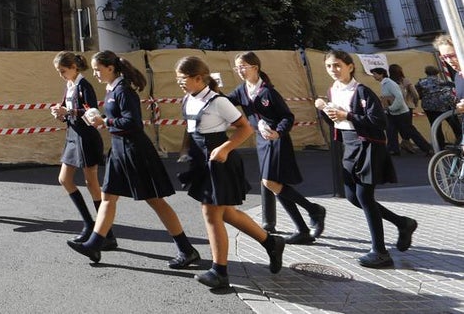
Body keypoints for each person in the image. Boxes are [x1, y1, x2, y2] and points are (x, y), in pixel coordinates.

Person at [68, 50, 201, 268]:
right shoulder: (112, 89)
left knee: (155, 200)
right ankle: (95, 243)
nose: (95, 74)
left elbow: (133, 123)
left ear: (110, 68)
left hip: (135, 150)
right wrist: (102, 120)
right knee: (108, 197)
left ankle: (187, 249)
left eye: (97, 69)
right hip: (119, 150)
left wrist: (104, 122)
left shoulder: (123, 90)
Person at [176, 56, 285, 290]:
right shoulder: (188, 98)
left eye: (183, 78)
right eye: (178, 79)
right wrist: (187, 151)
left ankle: (219, 271)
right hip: (202, 160)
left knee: (211, 215)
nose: (180, 83)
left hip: (220, 160)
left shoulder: (218, 101)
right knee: (226, 214)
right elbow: (191, 128)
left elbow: (245, 128)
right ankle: (271, 242)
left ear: (198, 78)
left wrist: (225, 148)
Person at [315, 50, 418, 268]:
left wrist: (348, 115)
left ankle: (380, 252)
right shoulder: (332, 91)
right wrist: (325, 111)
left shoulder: (362, 91)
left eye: (337, 65)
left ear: (350, 66)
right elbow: (336, 122)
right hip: (349, 145)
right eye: (329, 66)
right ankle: (403, 223)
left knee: (364, 196)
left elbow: (378, 122)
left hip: (369, 146)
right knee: (354, 197)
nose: (333, 70)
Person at [227, 52, 325, 244]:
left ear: (255, 67)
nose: (239, 70)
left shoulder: (268, 92)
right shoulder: (242, 90)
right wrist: (211, 91)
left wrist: (278, 132)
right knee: (275, 186)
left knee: (270, 183)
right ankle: (303, 229)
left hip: (276, 139)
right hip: (261, 140)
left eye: (243, 66)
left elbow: (287, 116)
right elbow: (225, 102)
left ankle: (314, 210)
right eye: (237, 67)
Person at [48, 51, 112, 247]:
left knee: (92, 183)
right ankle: (88, 223)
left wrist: (68, 111)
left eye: (63, 71)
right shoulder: (70, 85)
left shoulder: (84, 85)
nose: (61, 75)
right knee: (64, 179)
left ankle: (106, 233)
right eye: (59, 71)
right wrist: (59, 113)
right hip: (73, 136)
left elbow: (91, 111)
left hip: (86, 138)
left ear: (74, 67)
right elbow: (68, 110)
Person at [371, 66, 433, 157]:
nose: (373, 76)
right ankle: (393, 149)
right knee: (391, 130)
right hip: (394, 112)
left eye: (375, 74)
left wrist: (391, 108)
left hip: (400, 112)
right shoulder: (385, 83)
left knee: (410, 131)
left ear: (381, 74)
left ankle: (427, 148)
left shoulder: (389, 83)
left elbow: (399, 97)